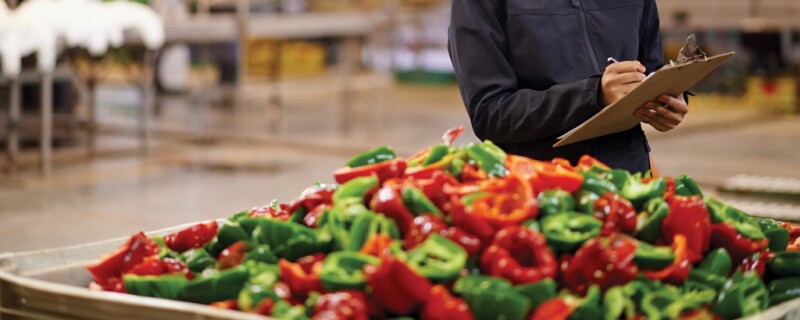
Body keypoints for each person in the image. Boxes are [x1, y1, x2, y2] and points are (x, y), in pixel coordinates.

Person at [448, 0, 688, 173]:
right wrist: (593, 95)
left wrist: (669, 100)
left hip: (630, 182)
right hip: (542, 190)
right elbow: (490, 113)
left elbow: (651, 71)